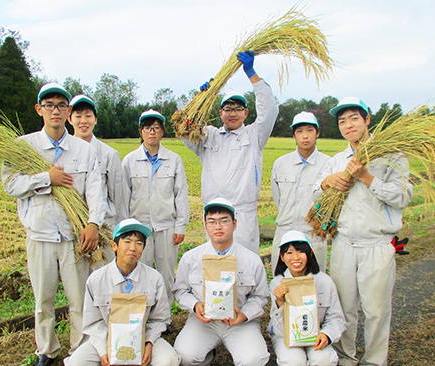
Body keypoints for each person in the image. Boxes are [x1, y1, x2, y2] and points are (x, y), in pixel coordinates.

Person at [1, 83, 105, 366]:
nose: (55, 110)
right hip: (40, 235)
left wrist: (94, 223)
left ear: (68, 111)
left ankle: (80, 350)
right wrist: (46, 178)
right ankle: (46, 350)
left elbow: (96, 190)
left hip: (75, 237)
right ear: (39, 110)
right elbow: (11, 185)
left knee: (79, 299)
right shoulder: (23, 147)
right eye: (49, 105)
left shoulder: (83, 150)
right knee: (43, 300)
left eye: (61, 105)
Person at [313, 97, 412, 366]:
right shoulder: (336, 160)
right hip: (343, 243)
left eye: (354, 118)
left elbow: (403, 196)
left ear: (367, 120)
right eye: (342, 121)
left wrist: (367, 177)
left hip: (377, 244)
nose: (348, 125)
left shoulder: (391, 156)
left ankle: (374, 360)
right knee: (344, 307)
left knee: (376, 310)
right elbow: (314, 193)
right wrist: (325, 182)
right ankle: (346, 357)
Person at [181, 50, 280, 254]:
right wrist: (202, 98)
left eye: (238, 108)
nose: (232, 113)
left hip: (242, 214)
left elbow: (269, 109)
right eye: (228, 108)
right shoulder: (208, 135)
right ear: (220, 113)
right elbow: (183, 128)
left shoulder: (254, 135)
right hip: (214, 214)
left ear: (246, 113)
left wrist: (252, 73)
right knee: (214, 265)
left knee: (244, 267)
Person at [64, 218, 180, 366]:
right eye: (127, 241)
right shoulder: (96, 279)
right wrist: (104, 351)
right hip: (106, 338)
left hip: (143, 336)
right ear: (114, 245)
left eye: (139, 243)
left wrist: (149, 342)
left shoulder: (154, 278)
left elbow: (160, 319)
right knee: (77, 362)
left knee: (168, 360)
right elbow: (93, 322)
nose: (133, 248)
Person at [173, 197, 270, 366]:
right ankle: (206, 354)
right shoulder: (191, 259)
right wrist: (196, 306)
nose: (218, 227)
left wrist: (244, 314)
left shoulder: (251, 260)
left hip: (239, 323)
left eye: (224, 221)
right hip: (204, 323)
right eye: (212, 222)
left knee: (253, 359)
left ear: (235, 224)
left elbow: (260, 297)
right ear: (205, 225)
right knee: (184, 355)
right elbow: (181, 291)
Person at [122, 109, 189, 304]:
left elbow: (181, 194)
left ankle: (164, 316)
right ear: (141, 131)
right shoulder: (129, 161)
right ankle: (142, 313)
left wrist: (180, 226)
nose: (152, 132)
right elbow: (124, 197)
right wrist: (126, 228)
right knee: (139, 272)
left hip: (166, 227)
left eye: (157, 128)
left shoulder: (173, 160)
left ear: (162, 132)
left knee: (166, 274)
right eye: (148, 128)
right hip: (138, 228)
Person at [268, 230, 345, 366]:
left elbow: (336, 318)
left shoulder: (325, 282)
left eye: (300, 251)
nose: (296, 257)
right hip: (285, 336)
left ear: (309, 254)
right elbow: (278, 328)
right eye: (289, 253)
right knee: (293, 361)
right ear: (282, 257)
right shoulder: (277, 283)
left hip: (316, 334)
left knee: (324, 359)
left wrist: (326, 334)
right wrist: (280, 302)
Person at [68, 94, 128, 264]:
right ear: (69, 119)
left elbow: (119, 197)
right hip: (74, 227)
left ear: (95, 119)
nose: (83, 121)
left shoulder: (109, 154)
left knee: (103, 278)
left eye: (88, 115)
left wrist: (121, 231)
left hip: (104, 228)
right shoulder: (63, 154)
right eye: (78, 116)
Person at [270, 112, 332, 274]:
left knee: (314, 282)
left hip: (313, 234)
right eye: (300, 131)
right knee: (281, 280)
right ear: (294, 135)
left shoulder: (329, 164)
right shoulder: (281, 164)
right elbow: (278, 198)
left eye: (310, 130)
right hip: (284, 230)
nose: (305, 136)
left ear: (317, 133)